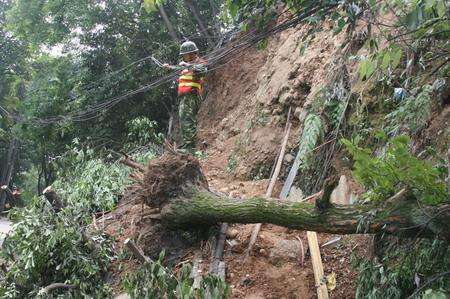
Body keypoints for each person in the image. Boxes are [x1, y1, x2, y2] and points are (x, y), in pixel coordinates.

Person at [163, 40, 207, 150]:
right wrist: (169, 67)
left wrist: (187, 65)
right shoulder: (187, 65)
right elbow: (178, 68)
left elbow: (203, 70)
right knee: (184, 120)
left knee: (187, 120)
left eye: (184, 55)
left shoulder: (199, 63)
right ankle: (188, 143)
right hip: (185, 98)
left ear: (191, 53)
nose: (183, 57)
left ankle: (190, 147)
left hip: (191, 96)